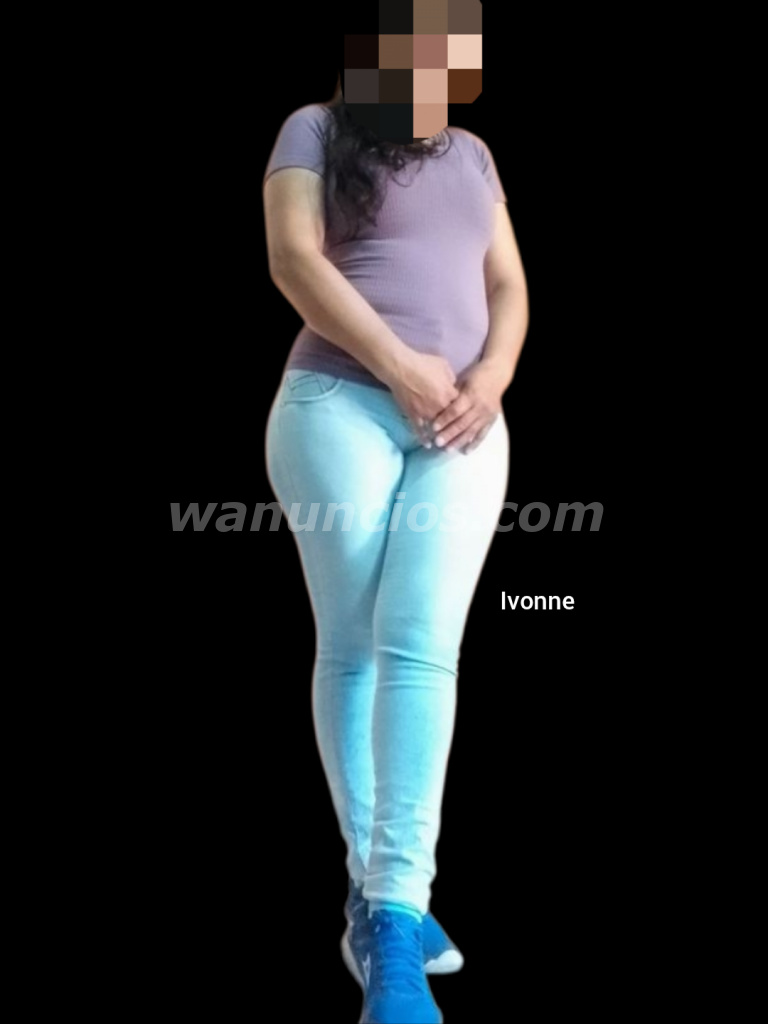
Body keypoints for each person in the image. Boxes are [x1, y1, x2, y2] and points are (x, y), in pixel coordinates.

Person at [262, 45, 528, 1024]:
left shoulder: (473, 153)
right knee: (357, 645)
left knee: (420, 642)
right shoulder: (315, 129)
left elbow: (509, 285)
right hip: (340, 404)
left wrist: (492, 376)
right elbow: (293, 258)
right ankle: (387, 916)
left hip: (466, 422)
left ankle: (391, 903)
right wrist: (400, 364)